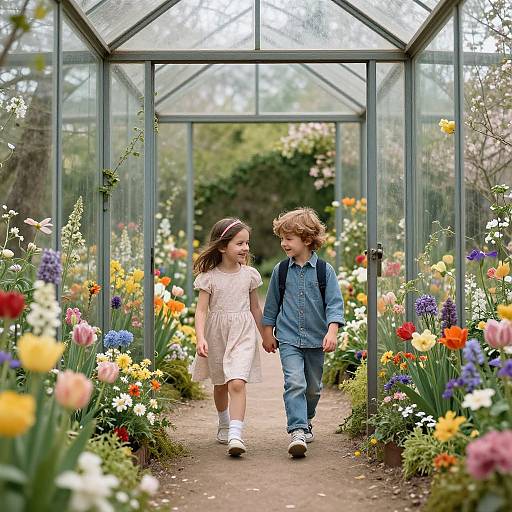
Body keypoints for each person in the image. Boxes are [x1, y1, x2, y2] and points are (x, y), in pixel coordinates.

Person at [262, 207, 345, 458]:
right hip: (288, 338)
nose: (283, 243)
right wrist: (267, 332)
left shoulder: (324, 271)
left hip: (316, 339)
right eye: (282, 238)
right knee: (295, 382)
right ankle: (297, 429)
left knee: (313, 388)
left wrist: (332, 331)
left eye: (289, 238)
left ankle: (306, 418)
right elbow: (272, 305)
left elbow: (334, 304)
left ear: (307, 239)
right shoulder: (281, 271)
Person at [192, 218, 264, 457]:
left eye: (247, 243)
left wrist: (266, 334)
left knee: (237, 382)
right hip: (216, 334)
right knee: (221, 384)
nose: (245, 248)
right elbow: (201, 310)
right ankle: (224, 422)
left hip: (242, 332)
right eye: (239, 243)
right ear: (223, 247)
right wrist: (200, 337)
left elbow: (255, 308)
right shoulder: (209, 277)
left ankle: (236, 433)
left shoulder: (250, 276)